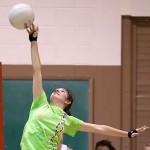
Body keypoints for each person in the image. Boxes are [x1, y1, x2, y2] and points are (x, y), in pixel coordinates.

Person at [20, 24, 149, 150]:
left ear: (68, 101)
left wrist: (126, 133)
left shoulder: (67, 121)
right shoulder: (39, 103)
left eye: (62, 91)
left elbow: (99, 128)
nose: (57, 90)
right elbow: (37, 70)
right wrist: (33, 41)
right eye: (56, 90)